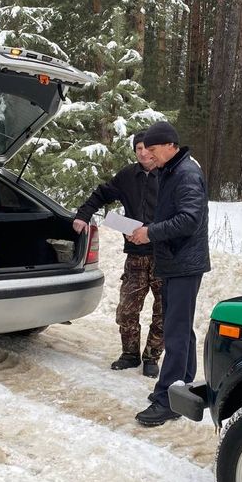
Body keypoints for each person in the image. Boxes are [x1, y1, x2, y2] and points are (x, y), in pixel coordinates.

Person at [128, 121, 210, 427]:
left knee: (175, 331)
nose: (148, 155)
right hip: (176, 261)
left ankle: (167, 400)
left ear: (169, 145)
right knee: (181, 328)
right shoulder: (171, 171)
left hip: (184, 263)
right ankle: (182, 389)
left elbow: (189, 219)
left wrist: (151, 233)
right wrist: (147, 231)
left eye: (152, 149)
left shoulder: (186, 174)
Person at [73, 132, 163, 378]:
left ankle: (152, 357)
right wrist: (83, 215)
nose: (143, 153)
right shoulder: (127, 175)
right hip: (135, 255)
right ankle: (130, 354)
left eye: (146, 148)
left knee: (163, 311)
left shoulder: (169, 176)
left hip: (164, 256)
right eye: (138, 149)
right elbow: (102, 194)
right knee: (127, 310)